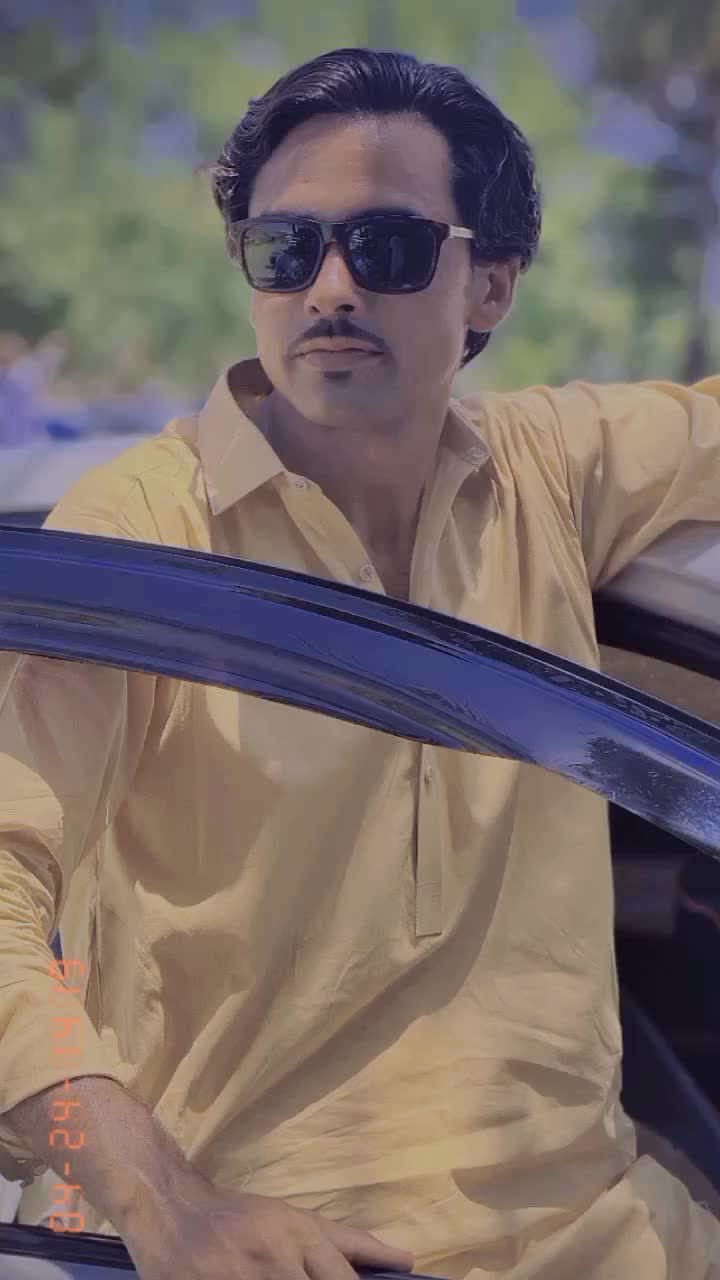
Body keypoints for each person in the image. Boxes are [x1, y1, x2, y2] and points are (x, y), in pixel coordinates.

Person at [0, 46, 719, 1280]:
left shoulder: (550, 472)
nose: (328, 288)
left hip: (599, 1232)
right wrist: (158, 1197)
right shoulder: (144, 533)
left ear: (491, 284)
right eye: (286, 249)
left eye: (386, 247)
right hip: (272, 1243)